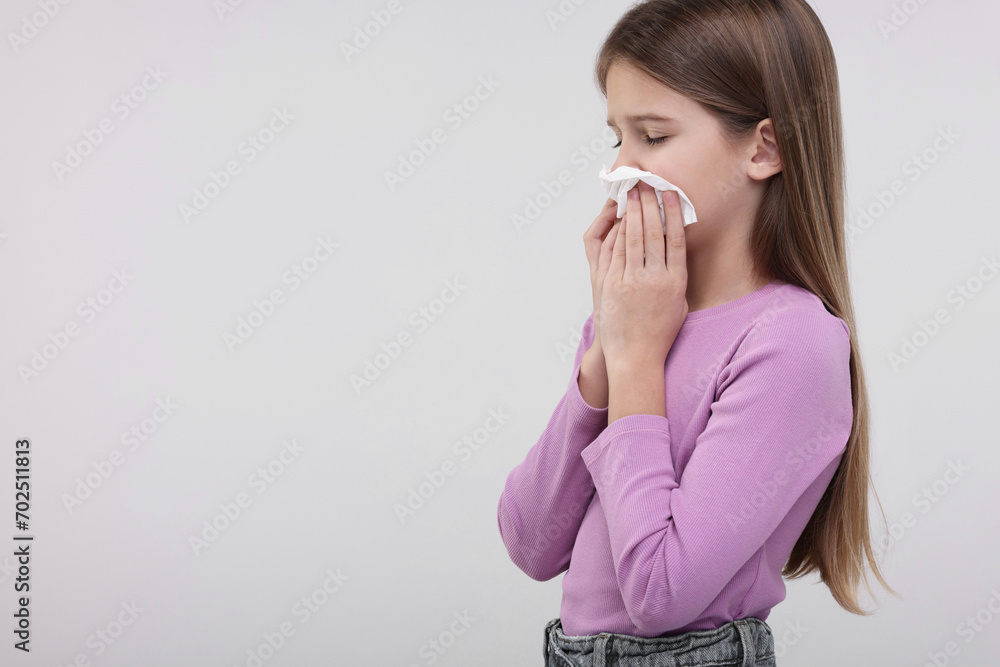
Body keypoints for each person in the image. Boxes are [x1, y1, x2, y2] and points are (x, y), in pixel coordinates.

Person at [496, 1, 900, 664]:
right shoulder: (634, 320)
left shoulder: (792, 342)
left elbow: (659, 592)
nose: (619, 168)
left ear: (764, 148)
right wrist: (605, 357)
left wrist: (634, 363)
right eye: (615, 137)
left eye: (652, 136)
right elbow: (530, 542)